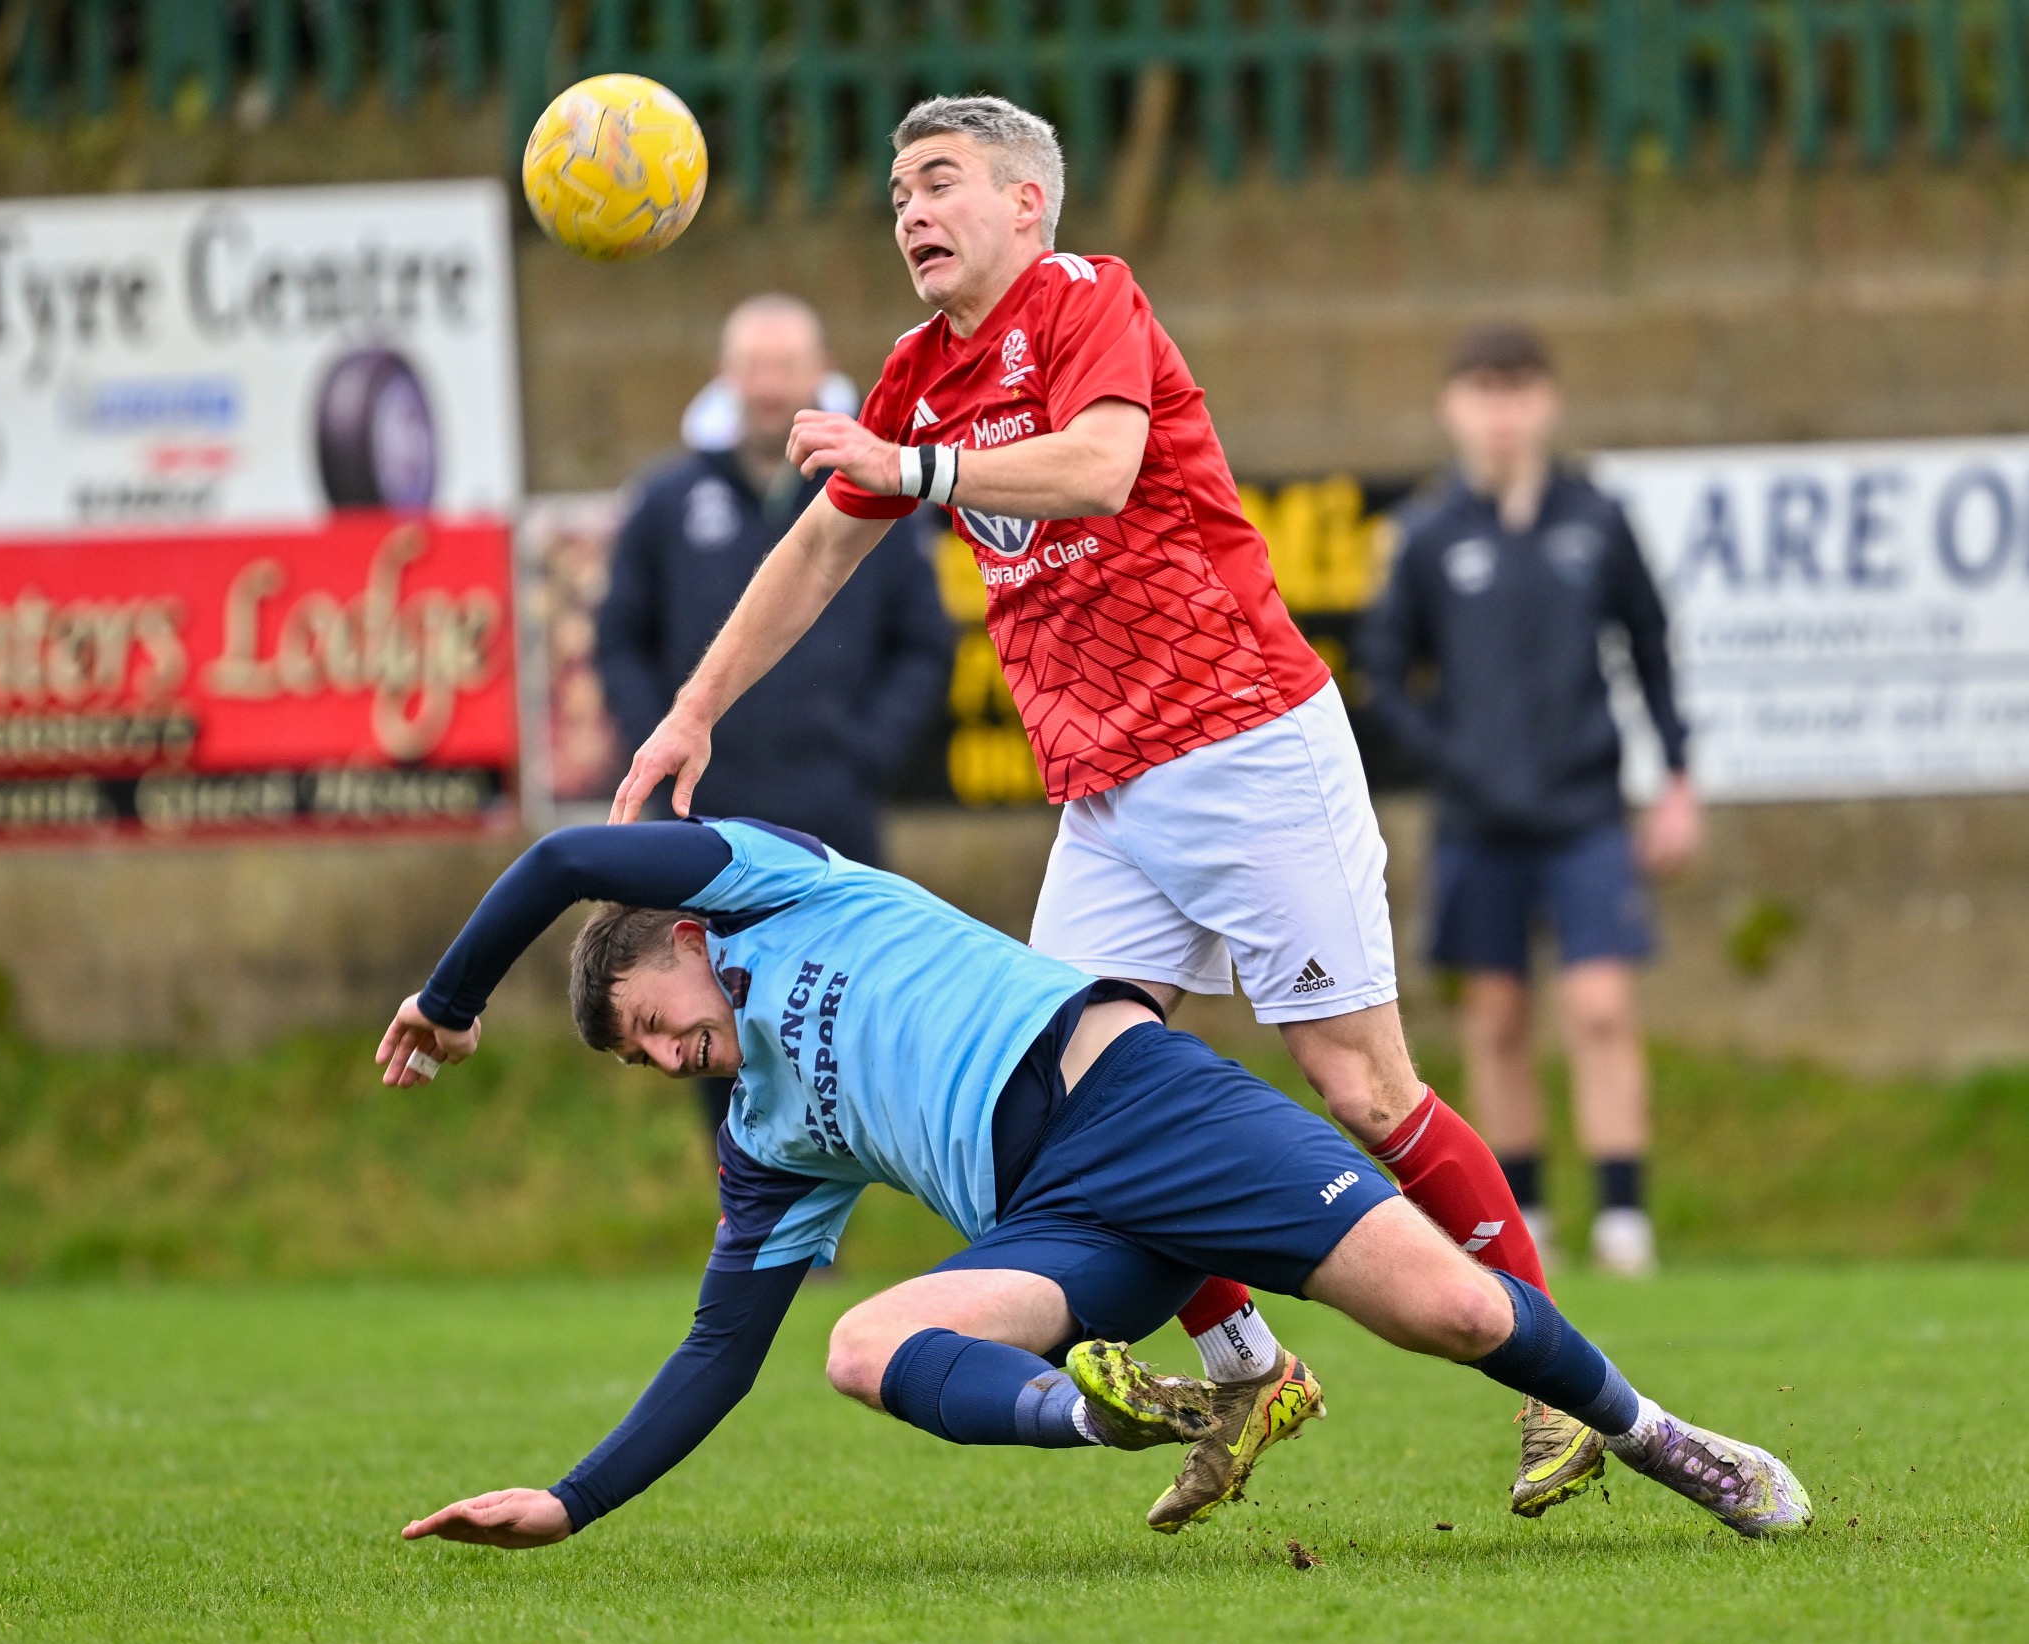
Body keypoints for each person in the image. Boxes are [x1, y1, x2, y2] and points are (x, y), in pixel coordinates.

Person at [601, 95, 1600, 1522]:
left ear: (1028, 205)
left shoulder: (1087, 300)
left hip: (1245, 741)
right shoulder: (917, 370)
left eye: (938, 182)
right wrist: (697, 709)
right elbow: (820, 545)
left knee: (1363, 1087)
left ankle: (1553, 1389)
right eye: (895, 192)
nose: (909, 212)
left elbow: (1101, 465)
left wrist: (920, 471)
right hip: (1111, 792)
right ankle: (1251, 1368)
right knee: (1061, 1111)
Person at [376, 818, 1811, 1549]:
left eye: (654, 1018)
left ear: (686, 935)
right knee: (854, 1344)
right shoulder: (764, 1138)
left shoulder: (774, 883)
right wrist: (567, 1503)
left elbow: (566, 855)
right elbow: (714, 1355)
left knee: (1454, 1312)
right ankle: (1112, 1409)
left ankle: (1655, 1432)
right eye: (645, 1060)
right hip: (1057, 1228)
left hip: (1136, 1099)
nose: (671, 1053)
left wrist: (448, 995)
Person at [1359, 324, 1700, 1277]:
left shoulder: (1597, 518)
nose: (1501, 411)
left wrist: (1676, 776)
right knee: (1498, 1019)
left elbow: (1653, 647)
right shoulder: (1426, 535)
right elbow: (1384, 675)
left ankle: (1625, 1221)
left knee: (1599, 1006)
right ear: (1452, 406)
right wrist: (1451, 760)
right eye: (1482, 390)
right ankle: (1530, 1214)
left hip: (1585, 812)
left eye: (1518, 389)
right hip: (1477, 823)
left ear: (1547, 400)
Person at [595, 293, 953, 1134]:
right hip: (703, 817)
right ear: (726, 377)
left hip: (833, 815)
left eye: (785, 367)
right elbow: (618, 643)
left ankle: (832, 1192)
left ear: (819, 373)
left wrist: (866, 752)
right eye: (754, 368)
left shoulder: (877, 498)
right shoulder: (664, 503)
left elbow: (924, 645)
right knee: (708, 1011)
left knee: (847, 1012)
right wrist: (658, 751)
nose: (768, 387)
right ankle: (742, 1194)